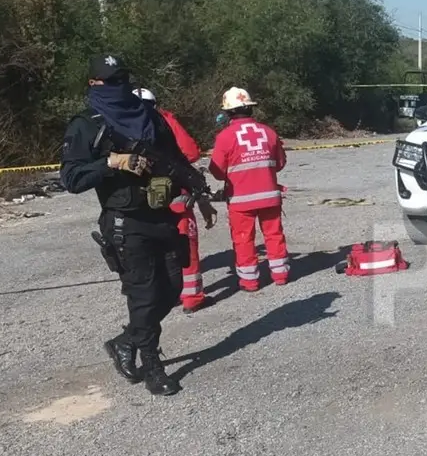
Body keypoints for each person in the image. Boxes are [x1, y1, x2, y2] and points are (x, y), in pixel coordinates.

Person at [60, 54, 217, 397]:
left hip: (161, 215)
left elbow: (175, 160)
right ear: (93, 84)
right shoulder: (87, 124)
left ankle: (125, 341)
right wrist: (111, 162)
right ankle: (152, 367)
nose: (120, 88)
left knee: (173, 288)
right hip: (124, 221)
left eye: (123, 81)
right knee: (144, 298)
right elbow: (70, 178)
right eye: (111, 82)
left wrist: (200, 193)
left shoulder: (149, 117)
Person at [133, 88, 207, 313]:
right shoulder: (164, 120)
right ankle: (192, 297)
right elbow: (191, 152)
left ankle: (162, 296)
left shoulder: (120, 121)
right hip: (173, 194)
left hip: (138, 200)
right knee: (185, 242)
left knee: (153, 248)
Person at [208, 87, 289, 292]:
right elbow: (279, 163)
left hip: (241, 200)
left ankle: (250, 282)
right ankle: (280, 275)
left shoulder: (225, 137)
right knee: (274, 234)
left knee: (244, 239)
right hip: (270, 196)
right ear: (251, 109)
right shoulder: (269, 132)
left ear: (228, 112)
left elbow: (217, 172)